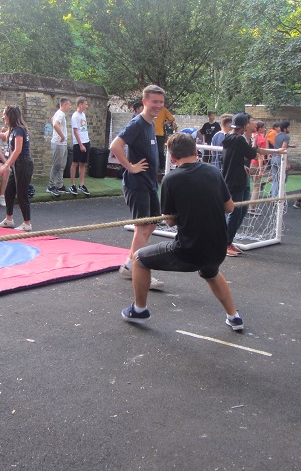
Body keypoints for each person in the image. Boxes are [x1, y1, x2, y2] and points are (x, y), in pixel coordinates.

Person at [121, 132, 244, 330]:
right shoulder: (214, 172)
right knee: (210, 272)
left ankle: (139, 310)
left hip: (189, 251)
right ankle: (234, 317)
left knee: (139, 259)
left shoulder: (171, 179)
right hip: (218, 250)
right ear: (196, 151)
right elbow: (229, 208)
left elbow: (169, 221)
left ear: (172, 157)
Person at [109, 85, 168, 291]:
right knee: (142, 227)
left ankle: (129, 264)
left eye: (161, 102)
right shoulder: (137, 123)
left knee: (152, 223)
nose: (158, 106)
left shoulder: (151, 124)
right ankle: (139, 270)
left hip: (150, 183)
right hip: (137, 184)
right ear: (145, 102)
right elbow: (115, 146)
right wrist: (131, 167)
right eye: (154, 102)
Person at [222, 113, 287, 257]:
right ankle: (224, 244)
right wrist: (254, 141)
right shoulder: (237, 138)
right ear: (245, 125)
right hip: (234, 180)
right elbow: (252, 153)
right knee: (235, 212)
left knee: (242, 210)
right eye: (251, 121)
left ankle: (228, 241)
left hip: (239, 177)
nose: (254, 123)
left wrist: (276, 151)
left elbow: (239, 156)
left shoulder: (232, 138)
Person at [0, 105, 34, 231]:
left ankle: (27, 223)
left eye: (4, 114)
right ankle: (9, 219)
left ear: (10, 116)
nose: (3, 117)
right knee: (9, 192)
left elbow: (18, 150)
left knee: (22, 194)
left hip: (23, 164)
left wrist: (5, 166)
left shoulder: (19, 130)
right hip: (17, 165)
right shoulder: (13, 130)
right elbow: (4, 136)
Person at [47, 97, 72, 196]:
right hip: (58, 143)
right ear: (64, 105)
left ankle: (60, 185)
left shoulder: (59, 113)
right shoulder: (60, 114)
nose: (70, 107)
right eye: (69, 105)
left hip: (62, 144)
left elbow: (53, 120)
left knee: (62, 166)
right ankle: (50, 186)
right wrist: (62, 136)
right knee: (56, 165)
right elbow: (55, 124)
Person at [69, 97, 91, 196]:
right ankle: (72, 184)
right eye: (85, 104)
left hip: (86, 141)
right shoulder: (75, 116)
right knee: (75, 163)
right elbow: (75, 131)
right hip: (78, 143)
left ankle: (81, 184)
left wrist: (86, 142)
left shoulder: (83, 115)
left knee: (83, 163)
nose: (87, 106)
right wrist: (81, 145)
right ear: (80, 104)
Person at [270, 121, 292, 198]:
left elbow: (278, 146)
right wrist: (287, 163)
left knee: (275, 179)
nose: (290, 129)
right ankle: (279, 195)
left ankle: (273, 195)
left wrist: (290, 146)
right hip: (280, 159)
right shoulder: (286, 137)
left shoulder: (277, 135)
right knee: (283, 178)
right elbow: (283, 149)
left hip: (274, 158)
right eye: (289, 127)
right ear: (285, 129)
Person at [153, 105, 176, 173]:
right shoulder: (150, 108)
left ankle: (162, 167)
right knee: (152, 150)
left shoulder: (163, 110)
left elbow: (172, 118)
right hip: (150, 132)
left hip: (160, 134)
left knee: (160, 150)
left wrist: (164, 123)